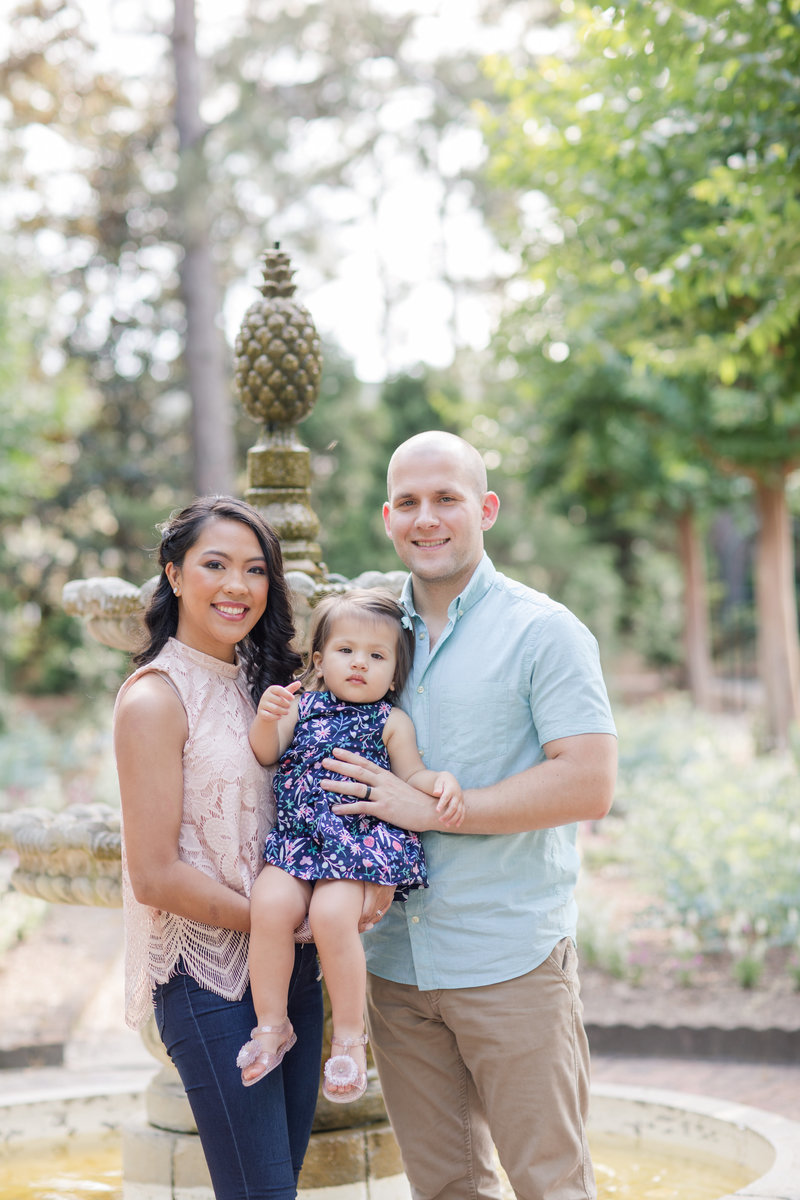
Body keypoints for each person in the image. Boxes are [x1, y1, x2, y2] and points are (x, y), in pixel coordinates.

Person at [320, 432, 618, 1200]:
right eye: (410, 503)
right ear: (388, 517)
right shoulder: (367, 633)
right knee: (445, 1189)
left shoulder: (543, 631)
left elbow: (588, 783)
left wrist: (434, 810)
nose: (428, 518)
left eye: (446, 498)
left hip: (508, 960)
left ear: (484, 508)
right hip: (392, 964)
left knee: (550, 1185)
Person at [113, 496, 325, 1200]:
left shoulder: (264, 686)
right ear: (173, 575)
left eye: (256, 569)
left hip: (295, 967)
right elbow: (154, 875)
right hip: (208, 979)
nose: (238, 586)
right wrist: (286, 924)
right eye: (215, 565)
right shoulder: (155, 698)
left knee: (274, 1187)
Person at [242, 589, 464, 1103]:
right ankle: (271, 1027)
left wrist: (440, 781)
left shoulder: (391, 722)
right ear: (319, 660)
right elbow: (266, 750)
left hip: (353, 845)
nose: (360, 663)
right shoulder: (304, 705)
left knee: (331, 915)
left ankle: (348, 1039)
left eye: (377, 655)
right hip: (298, 841)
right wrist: (267, 715)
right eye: (346, 651)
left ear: (394, 673)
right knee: (269, 904)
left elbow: (413, 775)